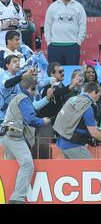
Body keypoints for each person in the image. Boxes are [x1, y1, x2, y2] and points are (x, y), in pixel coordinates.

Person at [1, 76, 51, 204]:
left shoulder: (16, 98)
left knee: (11, 165)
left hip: (6, 135)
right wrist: (43, 121)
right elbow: (30, 119)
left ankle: (7, 196)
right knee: (27, 164)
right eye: (36, 90)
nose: (36, 93)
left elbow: (28, 112)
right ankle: (17, 198)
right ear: (32, 88)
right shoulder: (24, 98)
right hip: (15, 136)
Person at [53, 82, 101, 159]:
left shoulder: (74, 99)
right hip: (73, 144)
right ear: (93, 92)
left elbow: (77, 123)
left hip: (62, 141)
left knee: (76, 170)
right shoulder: (87, 106)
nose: (98, 98)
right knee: (90, 169)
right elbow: (94, 133)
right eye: (99, 95)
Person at [35, 62, 83, 159]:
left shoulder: (60, 85)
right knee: (43, 151)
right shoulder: (47, 88)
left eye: (63, 71)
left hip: (56, 124)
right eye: (60, 71)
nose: (63, 73)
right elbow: (57, 93)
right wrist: (72, 84)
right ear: (52, 74)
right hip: (45, 125)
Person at [44, 0, 87, 65]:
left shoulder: (79, 7)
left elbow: (83, 25)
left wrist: (78, 42)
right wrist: (49, 42)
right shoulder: (53, 7)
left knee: (72, 74)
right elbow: (47, 26)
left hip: (72, 45)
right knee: (55, 74)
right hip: (55, 46)